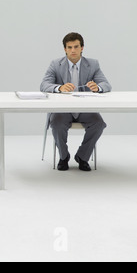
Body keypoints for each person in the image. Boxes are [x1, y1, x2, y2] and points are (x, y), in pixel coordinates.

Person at [40, 32, 111, 171]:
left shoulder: (93, 64)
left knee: (99, 124)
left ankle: (82, 157)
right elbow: (44, 84)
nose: (73, 50)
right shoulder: (55, 64)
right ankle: (63, 157)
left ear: (82, 48)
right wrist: (59, 88)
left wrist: (98, 87)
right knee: (56, 123)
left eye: (76, 47)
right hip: (63, 109)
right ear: (65, 49)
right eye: (69, 47)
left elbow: (106, 84)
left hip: (84, 109)